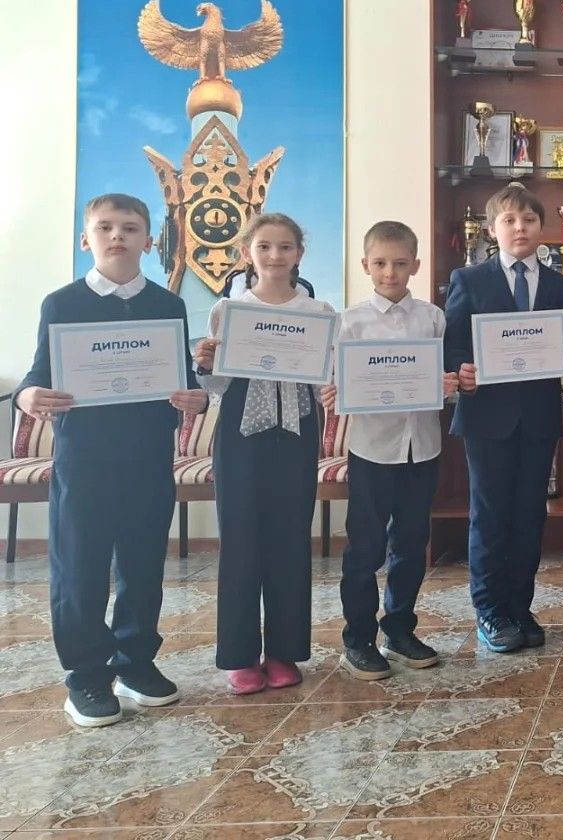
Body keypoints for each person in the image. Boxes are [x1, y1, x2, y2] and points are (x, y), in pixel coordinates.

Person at [16, 193, 208, 727]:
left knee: (144, 566)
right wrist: (28, 397)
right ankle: (86, 677)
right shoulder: (62, 303)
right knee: (80, 569)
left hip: (148, 456)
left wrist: (196, 398)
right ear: (87, 239)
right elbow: (37, 374)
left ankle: (136, 663)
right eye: (105, 227)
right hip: (85, 460)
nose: (117, 236)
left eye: (129, 227)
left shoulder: (168, 305)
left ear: (149, 241)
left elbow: (184, 380)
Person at [195, 213, 334, 695]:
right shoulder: (228, 310)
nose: (275, 256)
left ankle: (283, 651)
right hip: (240, 434)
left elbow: (325, 380)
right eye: (265, 247)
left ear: (299, 254)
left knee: (290, 540)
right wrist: (206, 364)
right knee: (240, 542)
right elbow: (216, 387)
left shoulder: (319, 312)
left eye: (285, 247)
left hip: (298, 432)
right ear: (247, 254)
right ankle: (239, 656)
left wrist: (336, 379)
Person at [320, 221, 458, 680]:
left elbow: (445, 374)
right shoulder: (349, 322)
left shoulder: (433, 318)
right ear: (365, 265)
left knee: (412, 544)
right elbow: (332, 380)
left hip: (423, 447)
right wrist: (333, 392)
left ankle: (399, 630)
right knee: (366, 547)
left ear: (415, 265)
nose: (390, 272)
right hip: (373, 451)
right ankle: (357, 639)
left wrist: (447, 384)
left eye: (400, 263)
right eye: (380, 263)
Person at [445, 184, 563, 653]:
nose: (519, 228)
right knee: (489, 516)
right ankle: (490, 610)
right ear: (491, 229)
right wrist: (462, 370)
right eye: (509, 220)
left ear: (542, 228)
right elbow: (453, 344)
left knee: (529, 516)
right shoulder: (468, 280)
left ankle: (520, 607)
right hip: (486, 417)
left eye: (528, 220)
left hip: (539, 418)